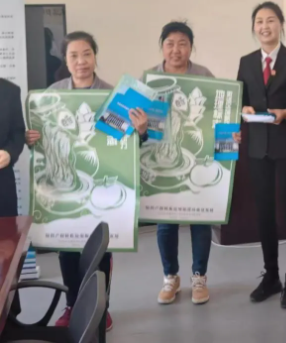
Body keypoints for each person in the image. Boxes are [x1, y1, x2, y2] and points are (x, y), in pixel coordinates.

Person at [25, 31, 149, 335]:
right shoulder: (52, 96)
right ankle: (72, 306)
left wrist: (141, 131)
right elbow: (45, 145)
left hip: (101, 187)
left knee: (100, 251)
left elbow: (128, 145)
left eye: (86, 54)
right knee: (67, 249)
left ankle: (100, 308)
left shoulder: (114, 97)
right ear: (65, 61)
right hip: (64, 186)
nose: (81, 61)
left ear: (95, 56)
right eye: (74, 56)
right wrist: (31, 140)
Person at [233, 2, 286, 309]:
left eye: (271, 20)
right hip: (258, 148)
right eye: (259, 21)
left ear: (281, 25)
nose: (265, 26)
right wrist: (242, 109)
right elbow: (239, 99)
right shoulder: (246, 62)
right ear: (254, 27)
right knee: (263, 213)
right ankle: (272, 276)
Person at [144, 21, 214, 306]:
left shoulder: (204, 76)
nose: (176, 49)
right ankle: (170, 277)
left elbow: (219, 116)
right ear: (162, 46)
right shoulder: (149, 80)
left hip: (195, 158)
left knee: (201, 221)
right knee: (165, 225)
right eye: (170, 43)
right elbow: (136, 124)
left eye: (182, 43)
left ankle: (199, 276)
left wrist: (228, 139)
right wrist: (139, 128)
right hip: (161, 162)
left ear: (191, 47)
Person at [0, 78, 25, 217]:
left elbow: (18, 132)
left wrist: (9, 153)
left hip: (2, 180)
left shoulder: (10, 90)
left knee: (5, 229)